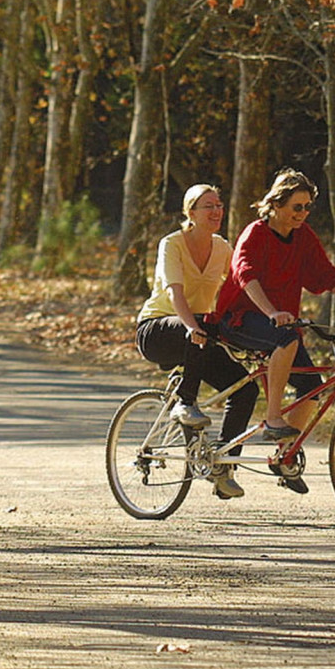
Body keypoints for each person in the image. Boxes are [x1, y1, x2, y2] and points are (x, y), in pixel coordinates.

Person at [212, 169, 335, 494]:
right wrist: (272, 312)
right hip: (240, 317)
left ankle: (285, 455)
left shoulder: (302, 237)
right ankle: (274, 418)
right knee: (286, 338)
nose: (303, 214)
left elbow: (328, 275)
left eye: (307, 207)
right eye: (296, 207)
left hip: (280, 323)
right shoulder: (255, 233)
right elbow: (245, 275)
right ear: (275, 204)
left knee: (312, 388)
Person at [135, 183, 258, 499]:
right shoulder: (171, 244)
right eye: (208, 206)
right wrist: (192, 326)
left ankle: (224, 466)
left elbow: (238, 288)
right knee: (202, 328)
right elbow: (175, 292)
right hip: (157, 329)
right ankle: (186, 403)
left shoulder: (222, 248)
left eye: (219, 205)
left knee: (245, 388)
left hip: (198, 334)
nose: (217, 211)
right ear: (190, 212)